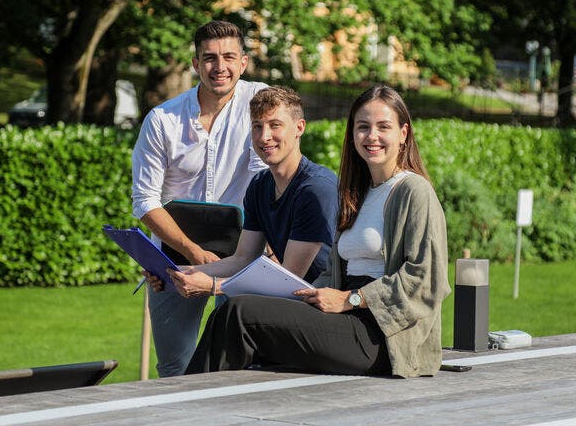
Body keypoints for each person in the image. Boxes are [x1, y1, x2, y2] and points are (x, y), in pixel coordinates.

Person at [185, 84, 450, 378]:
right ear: (352, 134)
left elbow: (427, 281)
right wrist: (308, 296)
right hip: (344, 315)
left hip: (383, 335)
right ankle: (208, 398)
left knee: (240, 314)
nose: (371, 136)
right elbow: (331, 275)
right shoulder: (357, 194)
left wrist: (351, 299)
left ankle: (186, 398)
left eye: (383, 127)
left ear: (403, 134)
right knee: (237, 315)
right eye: (363, 127)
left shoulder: (414, 191)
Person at [131, 20, 267, 377]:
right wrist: (192, 252)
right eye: (209, 58)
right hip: (175, 256)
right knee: (175, 367)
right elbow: (144, 200)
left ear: (243, 62)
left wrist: (266, 247)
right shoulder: (162, 119)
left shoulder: (259, 103)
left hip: (243, 251)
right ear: (195, 64)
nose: (219, 67)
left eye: (228, 57)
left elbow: (266, 177)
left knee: (239, 363)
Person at [161, 86, 338, 299]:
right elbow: (243, 258)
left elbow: (289, 278)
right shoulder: (260, 185)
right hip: (293, 298)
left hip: (324, 300)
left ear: (299, 128)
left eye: (275, 125)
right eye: (257, 126)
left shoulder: (316, 188)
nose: (264, 137)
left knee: (235, 308)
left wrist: (214, 286)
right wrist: (176, 272)